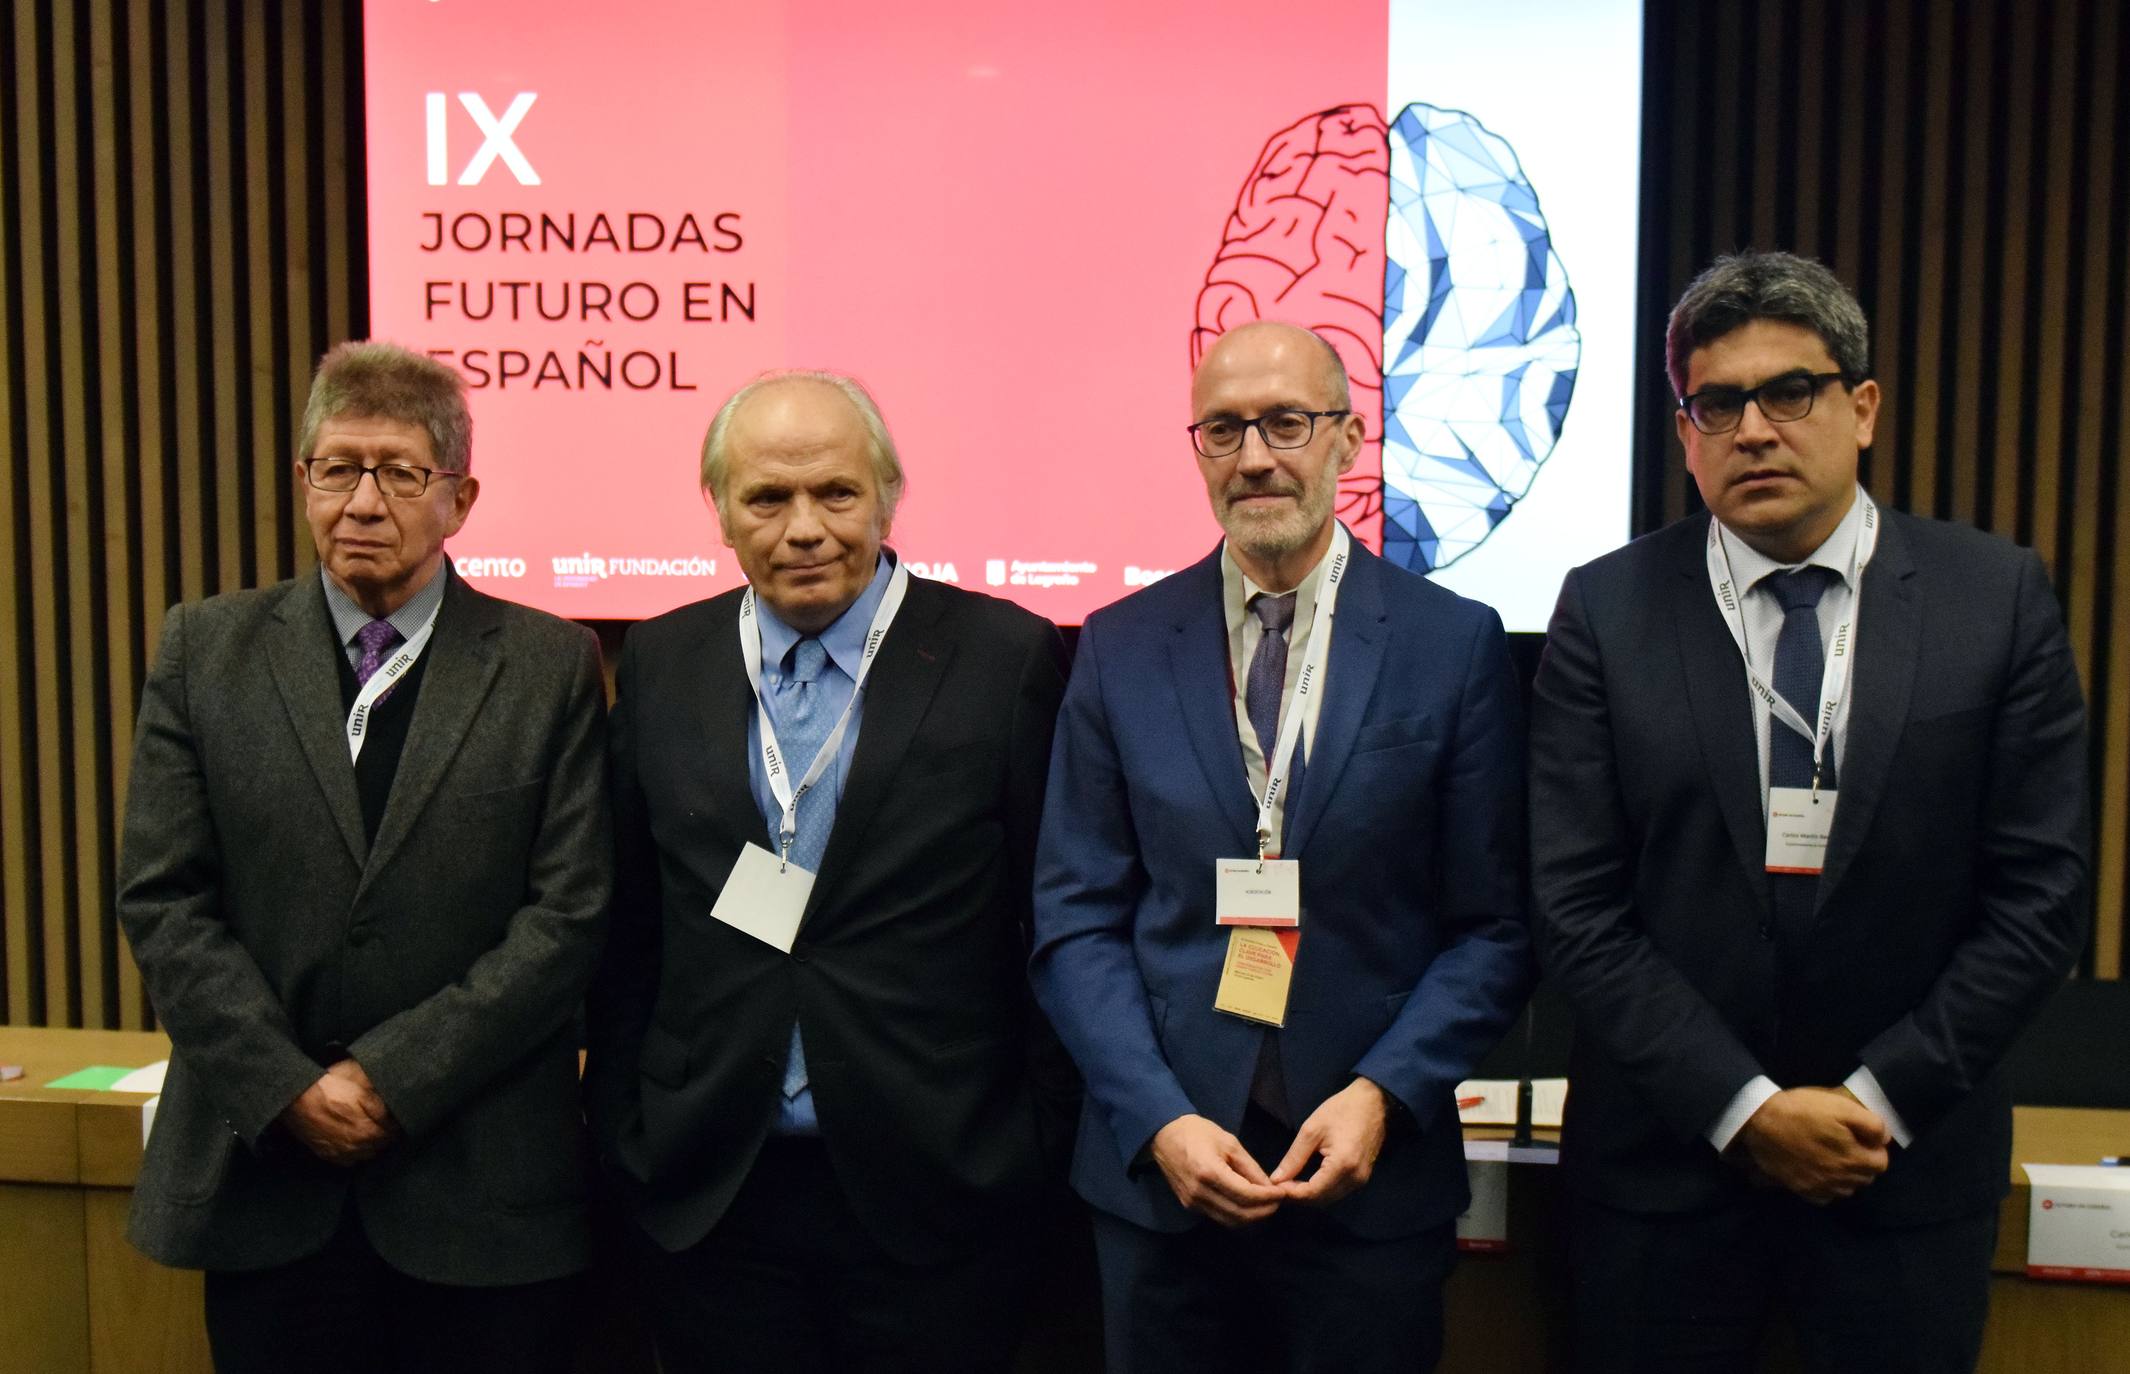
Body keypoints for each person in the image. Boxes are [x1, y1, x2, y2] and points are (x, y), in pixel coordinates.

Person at [1529, 251, 2091, 1373]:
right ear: (1685, 431)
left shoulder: (1993, 599)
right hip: (1664, 1183)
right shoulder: (1607, 609)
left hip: (1901, 1175)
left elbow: (2042, 895)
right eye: (1718, 404)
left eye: (1791, 392)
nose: (1754, 431)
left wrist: (1879, 1099)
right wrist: (1743, 1108)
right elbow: (1573, 903)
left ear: (1862, 407)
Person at [1029, 321, 1530, 1373]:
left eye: (1287, 423)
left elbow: (1492, 928)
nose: (1254, 456)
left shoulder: (1452, 644)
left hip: (1369, 1181)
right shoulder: (1119, 645)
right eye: (1224, 429)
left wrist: (1382, 1095)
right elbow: (1076, 921)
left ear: (1349, 438)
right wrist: (1158, 1119)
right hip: (1164, 1185)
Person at [116, 341, 612, 1374]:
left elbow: (569, 916)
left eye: (399, 472)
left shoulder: (549, 664)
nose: (364, 502)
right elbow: (163, 900)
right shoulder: (206, 650)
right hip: (270, 1185)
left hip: (481, 1194)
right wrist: (289, 1088)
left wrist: (393, 1078)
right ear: (304, 481)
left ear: (460, 498)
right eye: (338, 469)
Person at [584, 369, 1073, 1374]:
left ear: (889, 496)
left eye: (836, 493)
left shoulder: (1003, 657)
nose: (803, 528)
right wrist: (629, 1132)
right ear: (720, 509)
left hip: (939, 1190)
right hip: (713, 1190)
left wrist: (1030, 1146)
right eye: (767, 497)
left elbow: (1056, 921)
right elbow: (632, 925)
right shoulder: (664, 659)